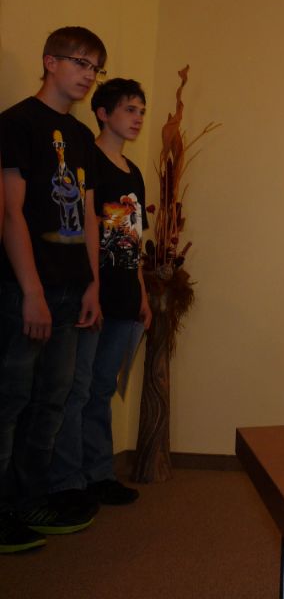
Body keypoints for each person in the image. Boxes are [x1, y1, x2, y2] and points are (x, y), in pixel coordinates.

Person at [0, 26, 104, 554]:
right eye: (80, 62)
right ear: (50, 61)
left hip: (70, 288)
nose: (88, 75)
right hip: (24, 289)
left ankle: (29, 501)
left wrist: (92, 285)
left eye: (95, 68)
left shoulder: (82, 135)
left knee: (52, 400)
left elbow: (88, 215)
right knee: (10, 399)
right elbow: (10, 212)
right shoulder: (17, 122)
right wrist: (31, 291)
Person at [49, 78, 151, 510]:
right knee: (79, 388)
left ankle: (100, 473)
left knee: (103, 387)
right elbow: (83, 225)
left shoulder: (134, 172)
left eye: (142, 111)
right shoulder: (87, 159)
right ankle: (73, 479)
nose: (138, 119)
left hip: (126, 295)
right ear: (103, 114)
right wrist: (91, 287)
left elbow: (134, 239)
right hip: (93, 293)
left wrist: (142, 293)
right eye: (130, 110)